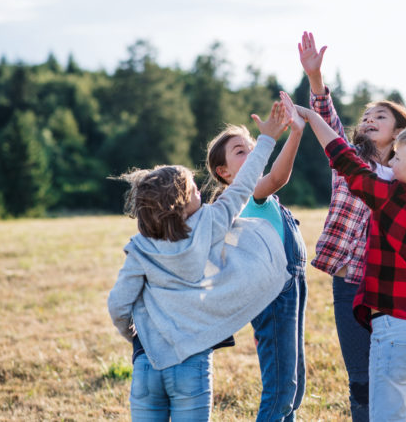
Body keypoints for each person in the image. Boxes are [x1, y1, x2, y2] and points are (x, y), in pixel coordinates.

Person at [281, 90, 406, 421]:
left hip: (392, 325)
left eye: (398, 159)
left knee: (386, 411)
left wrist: (314, 119)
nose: (391, 165)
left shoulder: (390, 198)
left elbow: (344, 160)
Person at [107, 112, 291, 421]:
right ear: (179, 202)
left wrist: (134, 337)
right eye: (194, 189)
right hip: (191, 363)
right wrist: (267, 140)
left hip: (145, 363)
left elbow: (118, 305)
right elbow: (243, 186)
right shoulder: (210, 222)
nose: (200, 192)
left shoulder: (139, 247)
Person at [298, 31, 406, 421]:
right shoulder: (348, 164)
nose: (368, 120)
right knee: (362, 380)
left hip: (396, 285)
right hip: (350, 282)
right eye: (366, 116)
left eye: (379, 116)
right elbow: (327, 120)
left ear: (400, 132)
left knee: (399, 378)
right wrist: (316, 79)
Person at [204, 101, 307, 422]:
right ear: (225, 173)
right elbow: (277, 176)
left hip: (291, 286)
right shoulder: (246, 193)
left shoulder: (259, 196)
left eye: (253, 146)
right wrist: (294, 134)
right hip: (272, 290)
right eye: (241, 151)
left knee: (294, 382)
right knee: (281, 387)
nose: (252, 152)